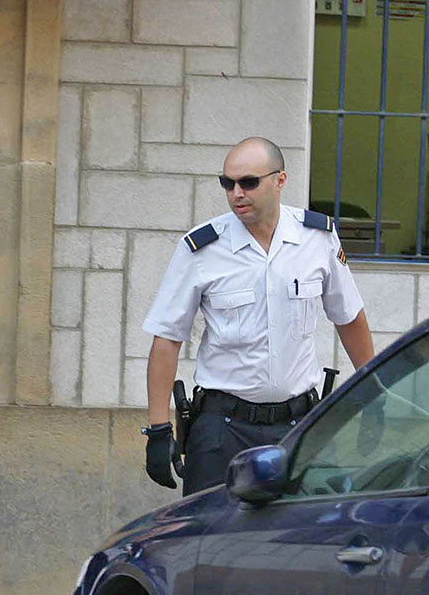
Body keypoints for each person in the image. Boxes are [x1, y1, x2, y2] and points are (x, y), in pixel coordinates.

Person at [142, 136, 375, 496]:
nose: (237, 193)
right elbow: (167, 338)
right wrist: (158, 429)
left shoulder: (318, 238)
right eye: (228, 183)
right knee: (212, 530)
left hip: (298, 427)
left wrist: (374, 391)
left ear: (280, 180)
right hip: (223, 429)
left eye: (248, 182)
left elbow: (349, 318)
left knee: (299, 531)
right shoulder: (202, 248)